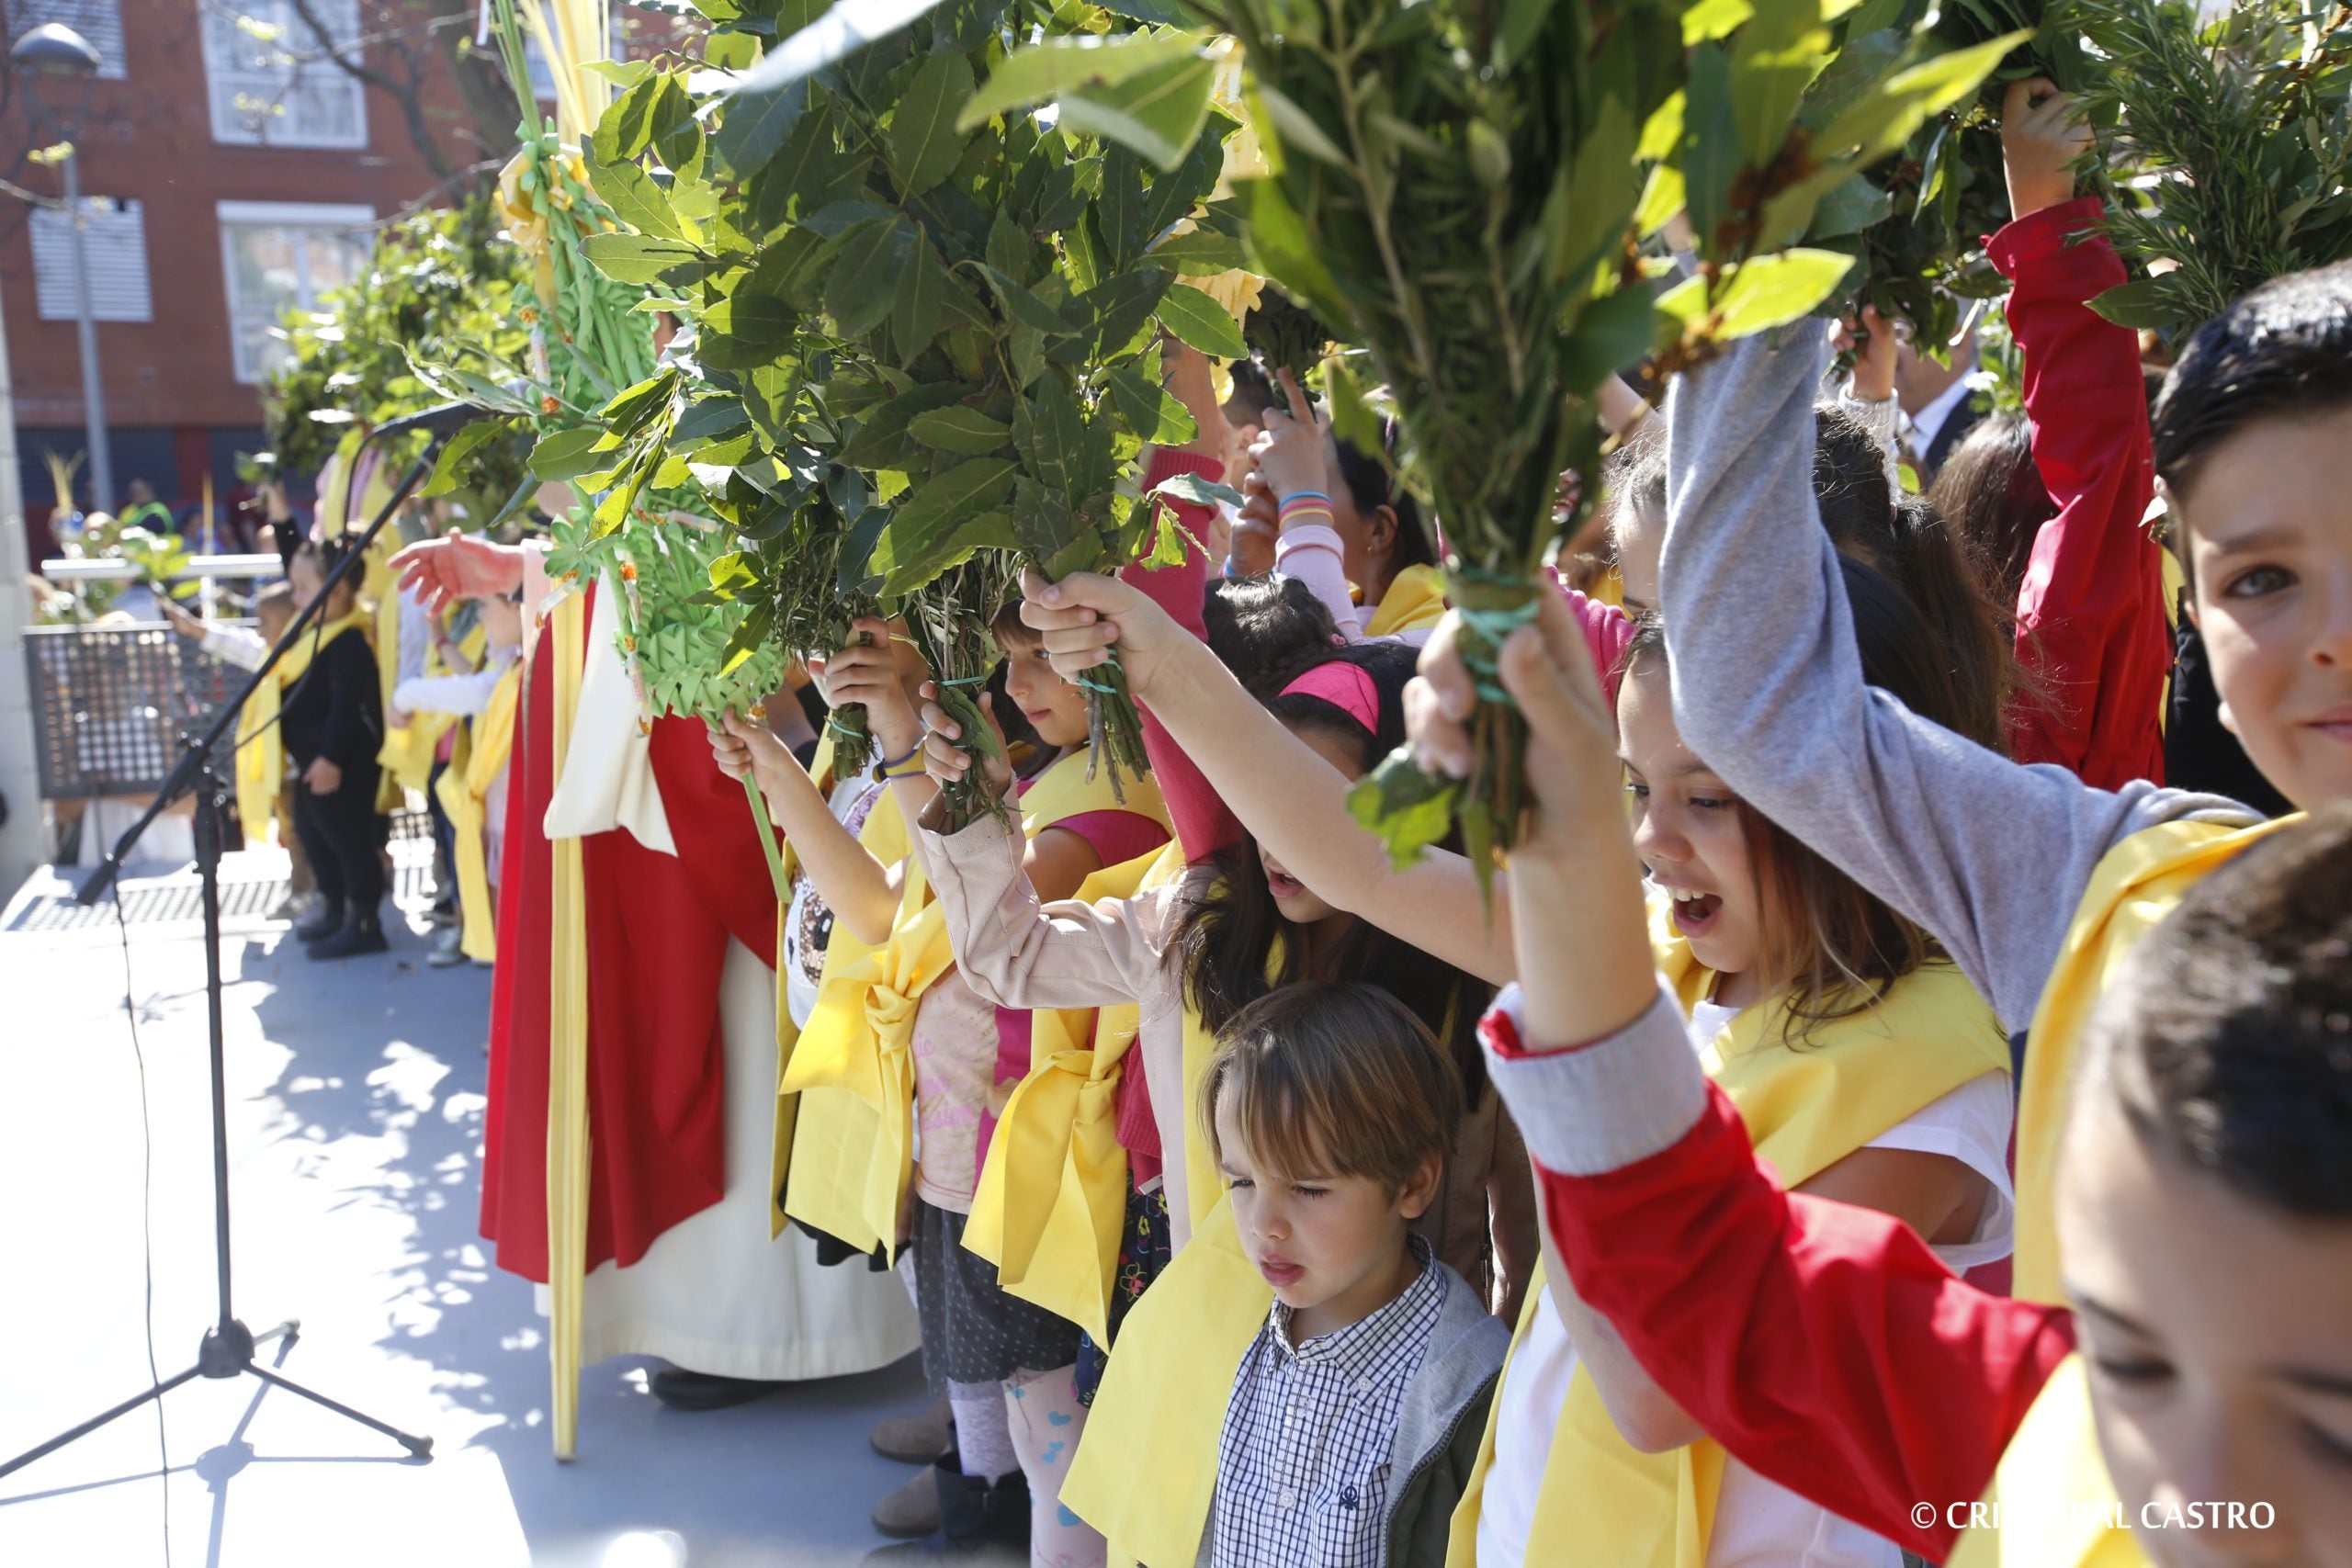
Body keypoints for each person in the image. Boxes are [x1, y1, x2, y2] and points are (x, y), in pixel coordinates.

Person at [1419, 576, 2352, 1559]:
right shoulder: (2047, 1426)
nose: (2195, 1483)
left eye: (2322, 1420)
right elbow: (1713, 1288)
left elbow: (1672, 1356)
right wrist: (1555, 835)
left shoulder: (1938, 1066)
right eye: (2121, 1350)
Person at [389, 528, 919, 1463]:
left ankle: (766, 1329)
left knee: (759, 1014)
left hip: (734, 741)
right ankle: (721, 1322)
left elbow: (696, 532)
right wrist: (527, 568)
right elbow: (638, 535)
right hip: (667, 727)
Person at [1201, 982, 1510, 1568]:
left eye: (1308, 1188)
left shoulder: (1468, 1396)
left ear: (1414, 1184)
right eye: (1242, 1183)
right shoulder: (1226, 1332)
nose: (1264, 1225)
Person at [397, 590, 525, 966]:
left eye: (486, 605)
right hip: (502, 818)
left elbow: (480, 690)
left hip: (512, 821)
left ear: (518, 607)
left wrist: (403, 697)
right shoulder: (512, 664)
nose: (481, 616)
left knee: (515, 940)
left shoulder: (521, 670)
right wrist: (439, 637)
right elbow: (481, 682)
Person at [277, 539, 389, 960]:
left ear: (337, 590)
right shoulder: (315, 634)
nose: (295, 597)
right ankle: (336, 907)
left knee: (349, 841)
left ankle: (364, 921)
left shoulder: (349, 643)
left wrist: (331, 758)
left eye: (304, 587)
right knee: (312, 833)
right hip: (313, 761)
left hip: (339, 763)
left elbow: (345, 707)